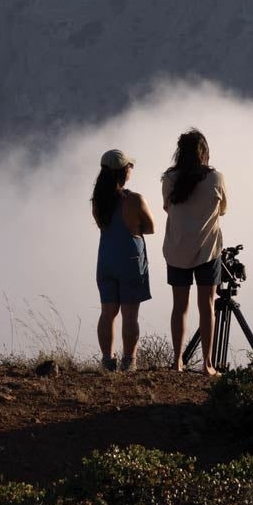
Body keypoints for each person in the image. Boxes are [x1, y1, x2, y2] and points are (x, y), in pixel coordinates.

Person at [160, 128, 228, 375]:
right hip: (208, 250)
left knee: (180, 307)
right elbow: (222, 210)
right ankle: (207, 364)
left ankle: (178, 360)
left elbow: (167, 207)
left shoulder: (170, 179)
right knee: (207, 306)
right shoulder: (216, 179)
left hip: (177, 249)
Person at [90, 149, 156, 371]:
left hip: (106, 258)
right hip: (130, 259)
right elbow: (151, 227)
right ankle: (129, 361)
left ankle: (107, 360)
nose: (131, 169)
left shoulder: (98, 201)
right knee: (130, 314)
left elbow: (102, 225)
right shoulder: (135, 200)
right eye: (129, 166)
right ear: (122, 171)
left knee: (108, 312)